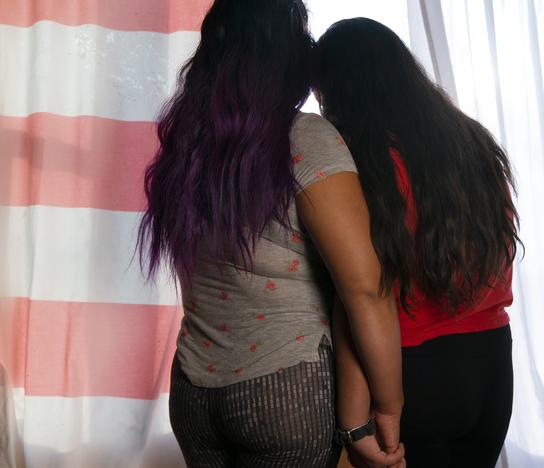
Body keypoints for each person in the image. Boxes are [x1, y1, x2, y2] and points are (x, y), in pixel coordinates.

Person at [136, 2, 404, 467]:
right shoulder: (304, 137)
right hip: (283, 387)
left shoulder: (185, 145)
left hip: (195, 391)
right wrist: (386, 406)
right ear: (285, 56)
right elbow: (364, 287)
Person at [315, 17, 521, 467]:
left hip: (413, 371)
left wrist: (353, 422)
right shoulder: (474, 143)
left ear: (338, 89)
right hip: (491, 365)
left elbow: (361, 294)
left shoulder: (365, 163)